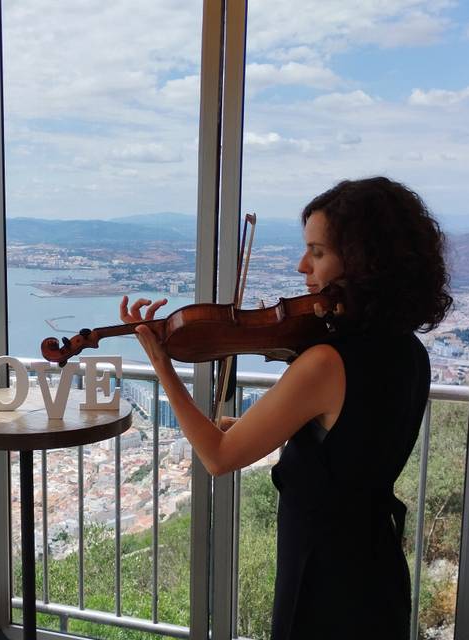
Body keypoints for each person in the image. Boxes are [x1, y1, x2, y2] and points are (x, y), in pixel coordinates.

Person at [119, 176, 452, 639]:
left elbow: (218, 457)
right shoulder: (409, 351)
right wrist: (271, 428)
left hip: (323, 573)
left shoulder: (325, 362)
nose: (302, 267)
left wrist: (162, 364)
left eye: (317, 253)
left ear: (362, 262)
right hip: (375, 565)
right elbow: (350, 450)